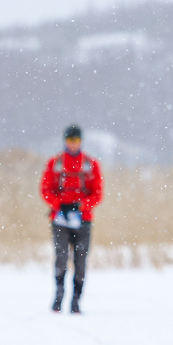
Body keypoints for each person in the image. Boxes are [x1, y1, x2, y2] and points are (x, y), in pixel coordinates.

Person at [40, 125, 104, 313]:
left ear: (81, 141)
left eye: (76, 141)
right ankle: (59, 294)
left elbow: (97, 193)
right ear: (65, 141)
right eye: (70, 141)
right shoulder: (55, 163)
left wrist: (82, 205)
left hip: (83, 220)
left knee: (80, 261)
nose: (73, 144)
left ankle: (76, 299)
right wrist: (59, 204)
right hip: (60, 219)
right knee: (61, 257)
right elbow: (45, 189)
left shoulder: (90, 165)